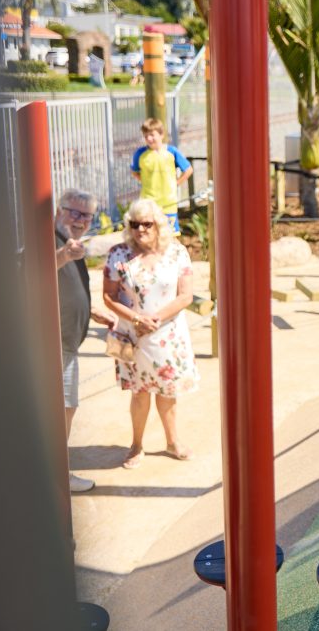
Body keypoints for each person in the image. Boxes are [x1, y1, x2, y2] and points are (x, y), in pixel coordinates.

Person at [102, 198, 199, 469]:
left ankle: (172, 441)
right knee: (139, 392)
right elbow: (109, 297)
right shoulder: (118, 254)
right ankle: (136, 445)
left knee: (168, 391)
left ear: (159, 225)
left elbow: (186, 295)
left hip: (168, 333)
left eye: (147, 224)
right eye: (135, 224)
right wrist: (136, 318)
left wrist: (156, 317)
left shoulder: (177, 252)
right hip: (134, 335)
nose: (141, 229)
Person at [55, 189, 116, 492]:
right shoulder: (51, 239)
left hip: (67, 340)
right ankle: (55, 476)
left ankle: (56, 472)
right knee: (58, 409)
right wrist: (65, 254)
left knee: (66, 408)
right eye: (73, 212)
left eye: (86, 215)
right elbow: (36, 271)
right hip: (50, 343)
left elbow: (63, 286)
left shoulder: (74, 242)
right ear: (58, 209)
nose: (80, 220)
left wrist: (90, 310)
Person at [130, 118, 193, 235]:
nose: (149, 138)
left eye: (152, 135)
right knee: (149, 235)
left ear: (161, 134)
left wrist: (177, 183)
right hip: (148, 203)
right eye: (146, 136)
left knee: (170, 236)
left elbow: (188, 170)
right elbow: (134, 171)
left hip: (168, 203)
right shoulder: (140, 154)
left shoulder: (171, 152)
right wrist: (144, 181)